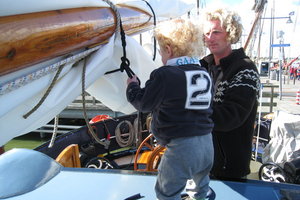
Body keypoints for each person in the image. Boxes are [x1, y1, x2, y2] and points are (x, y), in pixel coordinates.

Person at [126, 18, 214, 200]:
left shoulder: (165, 74)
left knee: (167, 192)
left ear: (168, 49)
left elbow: (144, 103)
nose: (161, 56)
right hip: (207, 144)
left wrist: (132, 87)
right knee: (200, 188)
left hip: (182, 147)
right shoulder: (204, 74)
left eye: (160, 51)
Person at [200, 8, 260, 180]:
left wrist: (187, 115)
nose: (210, 38)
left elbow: (231, 117)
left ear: (231, 33)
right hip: (201, 163)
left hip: (230, 168)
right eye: (207, 33)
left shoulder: (245, 68)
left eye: (216, 32)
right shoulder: (202, 68)